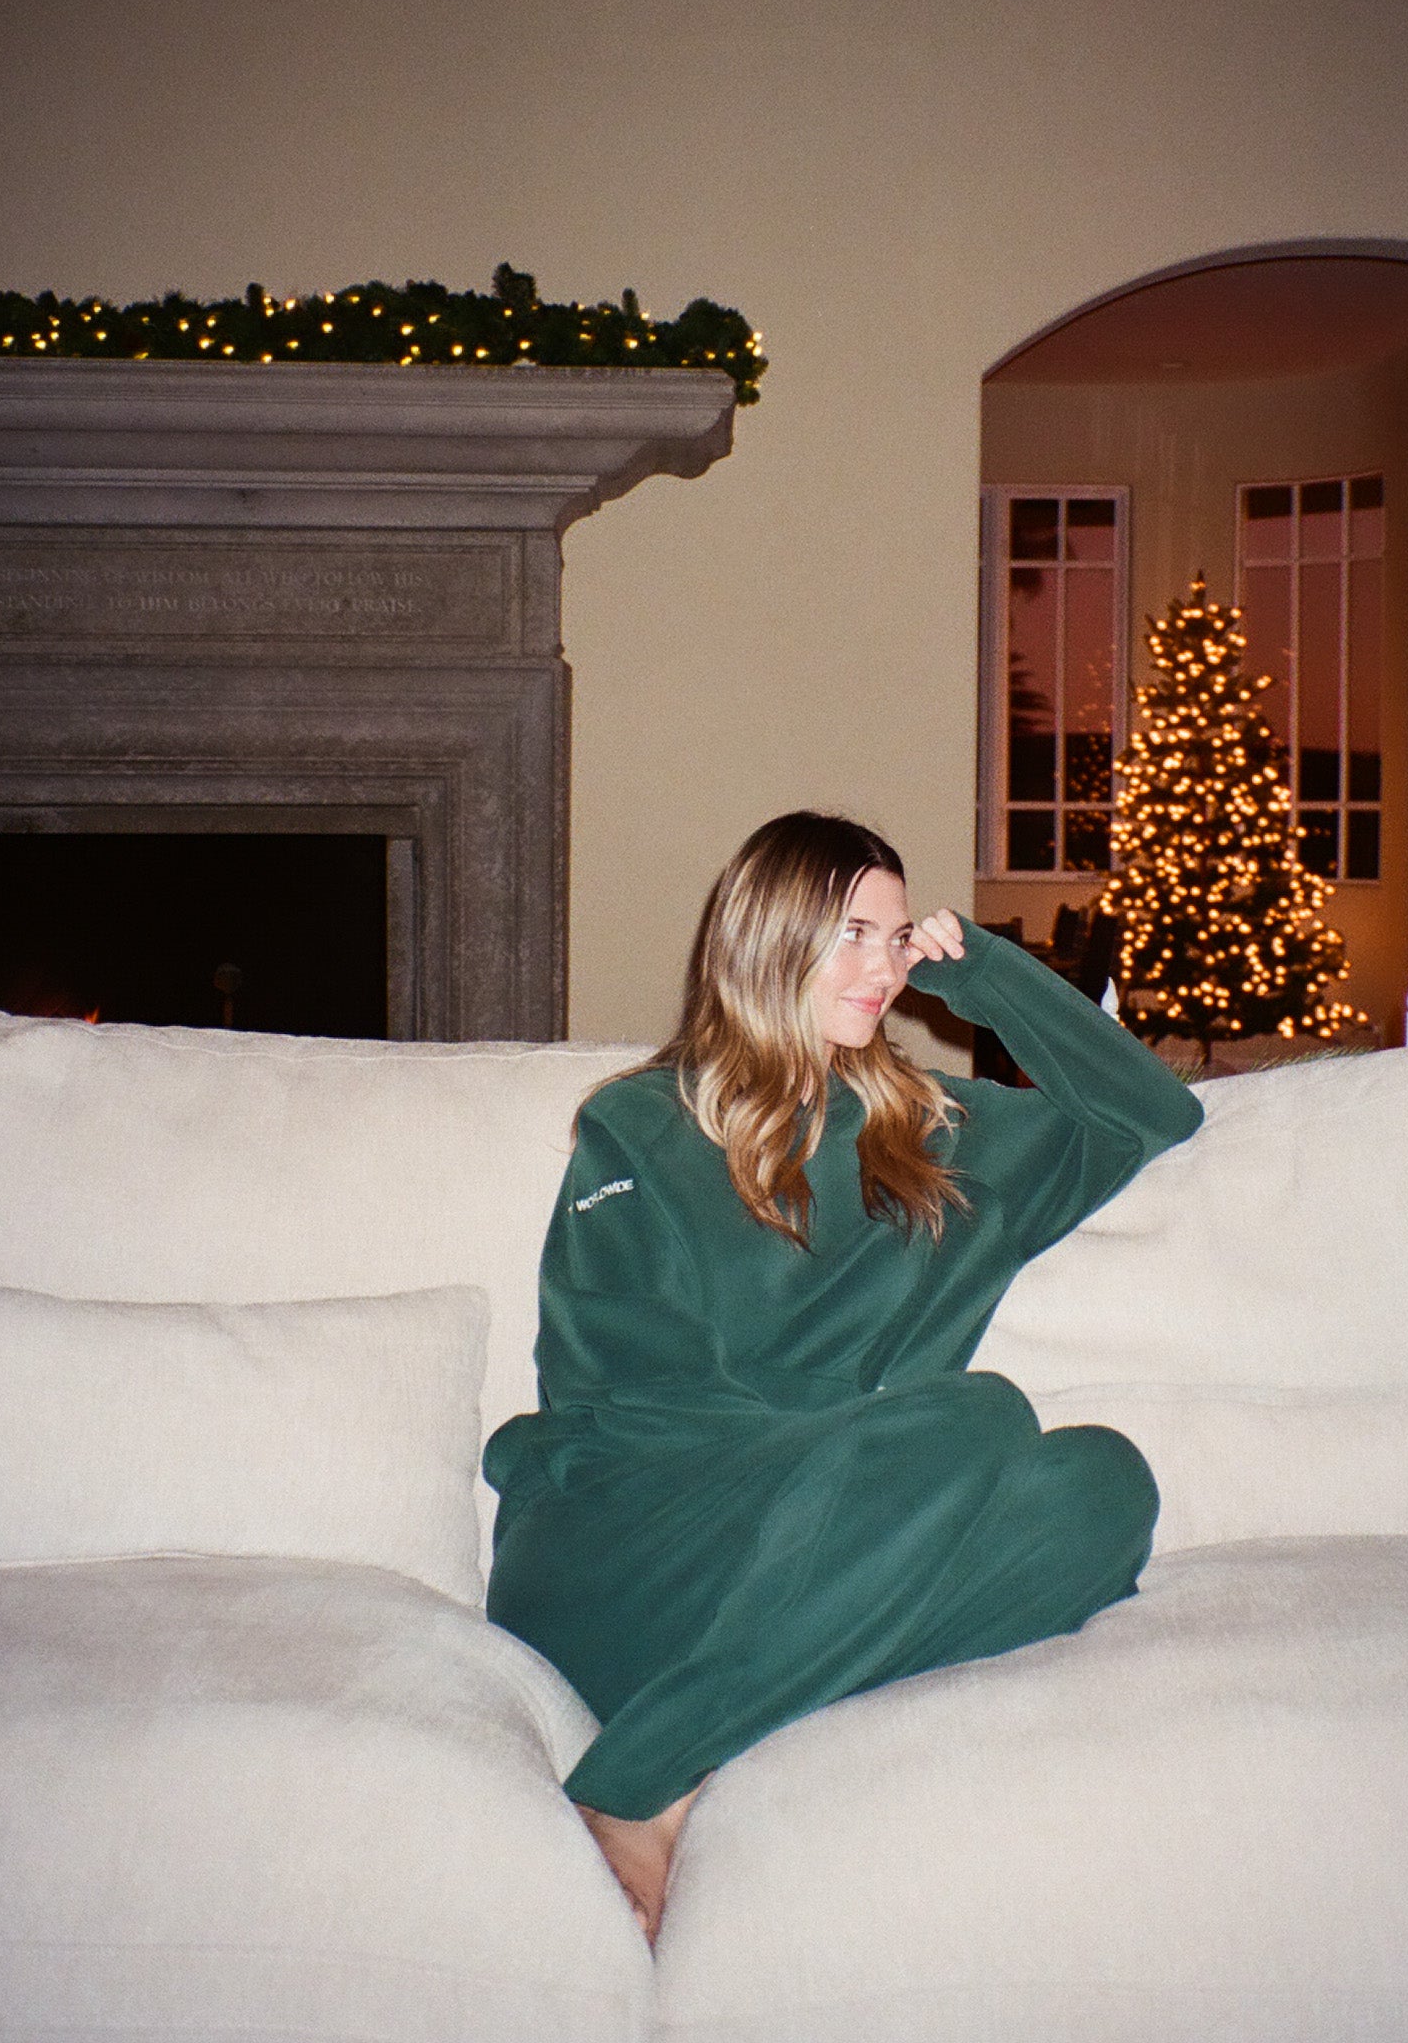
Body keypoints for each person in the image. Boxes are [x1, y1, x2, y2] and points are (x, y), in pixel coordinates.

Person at [484, 812, 1203, 1941]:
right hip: (626, 1539)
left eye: (896, 934)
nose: (883, 965)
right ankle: (638, 1787)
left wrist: (993, 979)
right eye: (850, 933)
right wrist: (833, 1465)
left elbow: (1152, 1113)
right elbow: (611, 1392)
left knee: (1104, 1485)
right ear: (767, 940)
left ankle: (725, 1718)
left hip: (840, 1538)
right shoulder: (639, 1125)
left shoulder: (937, 1133)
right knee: (975, 1418)